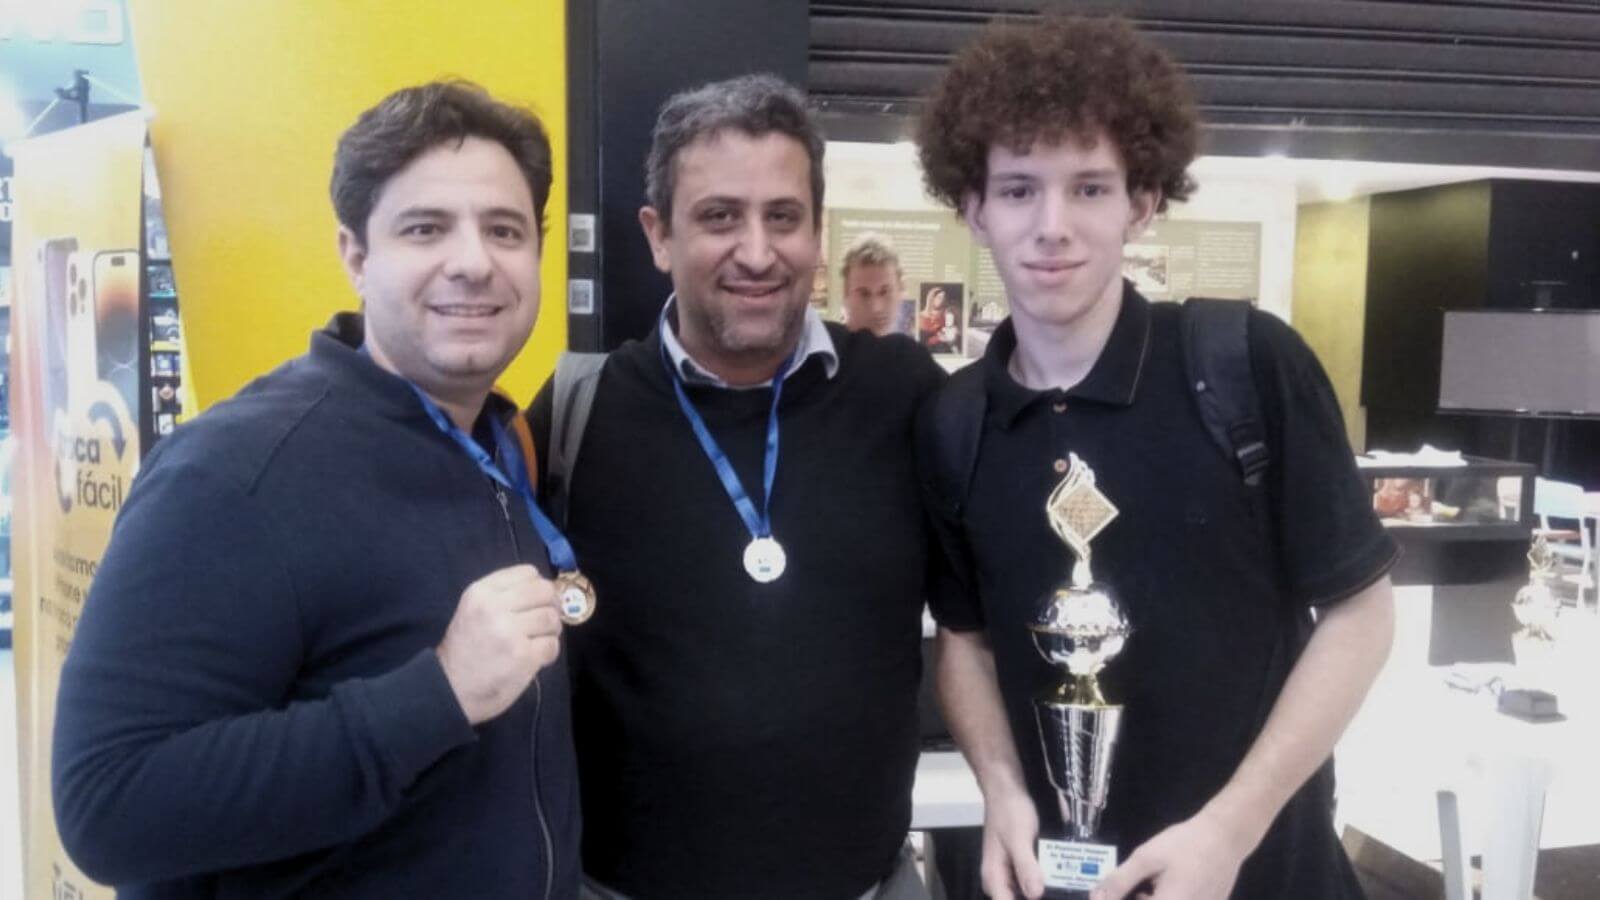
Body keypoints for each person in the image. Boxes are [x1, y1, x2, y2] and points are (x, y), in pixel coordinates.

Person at [52, 81, 581, 899]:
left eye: (504, 230)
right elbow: (108, 805)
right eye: (426, 228)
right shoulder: (236, 472)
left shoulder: (501, 439)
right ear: (356, 256)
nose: (474, 261)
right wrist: (435, 693)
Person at [914, 17, 1398, 900]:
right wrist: (1003, 788)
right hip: (1054, 880)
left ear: (1142, 200)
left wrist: (1230, 830)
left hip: (1263, 878)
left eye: (1089, 188)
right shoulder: (956, 422)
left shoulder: (1245, 366)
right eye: (1019, 190)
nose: (1052, 227)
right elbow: (965, 640)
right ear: (973, 209)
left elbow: (1361, 616)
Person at [527, 74, 944, 900]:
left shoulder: (906, 395)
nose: (757, 252)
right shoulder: (579, 410)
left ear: (818, 233)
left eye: (783, 217)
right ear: (658, 235)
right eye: (719, 216)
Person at [841, 231, 914, 337]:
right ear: (846, 293)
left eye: (884, 292)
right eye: (864, 294)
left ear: (900, 289)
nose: (876, 308)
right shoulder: (828, 350)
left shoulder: (909, 352)